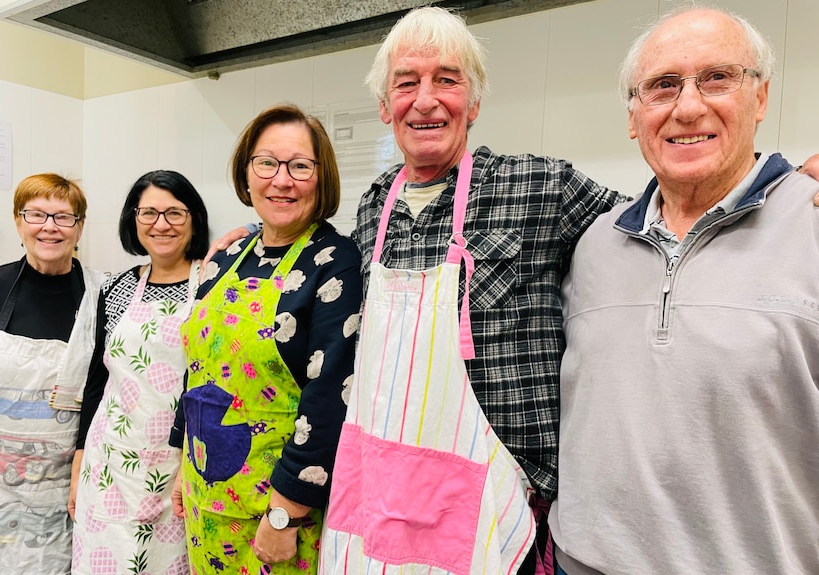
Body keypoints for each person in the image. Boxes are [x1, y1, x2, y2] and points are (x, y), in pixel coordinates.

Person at [206, 8, 819, 575]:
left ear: (473, 104)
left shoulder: (539, 185)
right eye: (406, 83)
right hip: (380, 491)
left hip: (495, 495)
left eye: (447, 80)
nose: (427, 100)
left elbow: (659, 220)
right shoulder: (373, 208)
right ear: (385, 105)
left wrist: (789, 189)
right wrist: (258, 241)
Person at [551, 7, 819, 574]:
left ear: (761, 97)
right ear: (633, 114)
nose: (689, 106)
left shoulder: (812, 224)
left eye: (718, 78)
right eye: (662, 86)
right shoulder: (595, 241)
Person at [169, 104, 362, 574]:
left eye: (300, 165)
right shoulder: (227, 255)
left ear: (322, 178)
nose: (282, 180)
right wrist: (181, 462)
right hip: (203, 494)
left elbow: (330, 395)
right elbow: (197, 369)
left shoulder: (334, 260)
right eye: (267, 163)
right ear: (247, 173)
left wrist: (285, 513)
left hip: (275, 511)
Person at [0, 173, 106, 575]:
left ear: (79, 227)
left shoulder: (100, 297)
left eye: (63, 217)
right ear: (18, 221)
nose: (49, 227)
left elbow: (99, 394)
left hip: (58, 486)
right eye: (36, 214)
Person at [69, 170, 210, 575]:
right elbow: (97, 381)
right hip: (110, 463)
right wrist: (79, 458)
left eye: (174, 213)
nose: (160, 224)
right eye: (148, 212)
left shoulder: (214, 284)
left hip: (181, 464)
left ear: (194, 218)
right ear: (133, 219)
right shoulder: (113, 289)